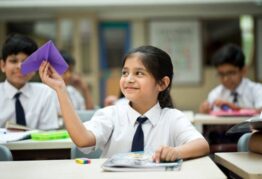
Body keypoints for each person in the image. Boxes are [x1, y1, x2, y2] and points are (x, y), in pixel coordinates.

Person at [39, 45, 209, 162]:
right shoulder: (111, 114)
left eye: (139, 73)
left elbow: (202, 145)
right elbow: (82, 140)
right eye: (125, 73)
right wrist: (61, 89)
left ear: (162, 84)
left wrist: (176, 152)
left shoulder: (172, 117)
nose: (129, 79)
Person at [0, 34, 59, 130]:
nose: (20, 66)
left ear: (36, 66)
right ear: (2, 65)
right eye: (14, 61)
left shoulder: (45, 93)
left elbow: (49, 132)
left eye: (26, 61)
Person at [199, 44, 262, 113]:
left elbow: (260, 112)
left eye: (231, 73)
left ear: (243, 71)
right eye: (221, 74)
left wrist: (235, 108)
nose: (225, 79)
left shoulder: (257, 90)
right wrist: (205, 111)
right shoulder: (215, 94)